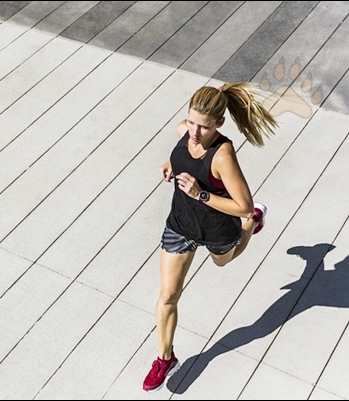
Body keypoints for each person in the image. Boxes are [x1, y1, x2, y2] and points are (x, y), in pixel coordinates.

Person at [142, 82, 278, 392]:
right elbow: (181, 154)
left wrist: (201, 193)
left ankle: (255, 223)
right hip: (180, 224)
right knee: (167, 297)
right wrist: (169, 164)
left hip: (218, 227)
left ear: (219, 123)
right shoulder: (184, 131)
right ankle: (165, 358)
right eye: (191, 122)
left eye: (204, 126)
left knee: (223, 261)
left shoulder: (222, 155)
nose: (194, 132)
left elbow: (241, 204)